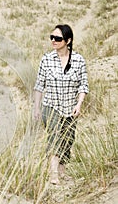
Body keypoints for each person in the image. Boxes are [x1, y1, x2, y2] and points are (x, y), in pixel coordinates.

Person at [33, 24, 89, 184]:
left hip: (70, 107)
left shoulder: (78, 60)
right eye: (52, 37)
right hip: (51, 106)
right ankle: (53, 174)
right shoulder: (47, 59)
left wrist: (79, 104)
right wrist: (37, 108)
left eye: (58, 38)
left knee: (68, 140)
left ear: (68, 40)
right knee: (54, 138)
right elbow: (39, 85)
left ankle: (62, 172)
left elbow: (83, 85)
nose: (53, 41)